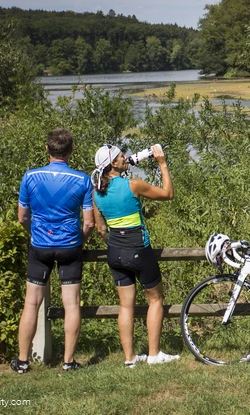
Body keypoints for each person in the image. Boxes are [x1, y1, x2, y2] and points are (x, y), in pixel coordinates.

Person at [13, 128, 95, 374]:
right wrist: (79, 240)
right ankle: (68, 362)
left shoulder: (30, 177)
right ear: (70, 151)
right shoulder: (82, 180)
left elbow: (22, 217)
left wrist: (35, 232)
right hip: (70, 246)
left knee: (31, 304)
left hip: (40, 246)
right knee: (72, 305)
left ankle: (23, 361)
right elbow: (89, 223)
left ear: (47, 149)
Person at [92, 143, 179, 367]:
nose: (126, 157)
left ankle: (130, 359)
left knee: (125, 306)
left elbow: (101, 229)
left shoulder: (97, 193)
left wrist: (114, 245)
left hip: (115, 252)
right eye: (121, 156)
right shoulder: (133, 185)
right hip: (139, 249)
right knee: (156, 299)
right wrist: (162, 163)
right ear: (113, 163)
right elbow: (168, 194)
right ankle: (153, 354)